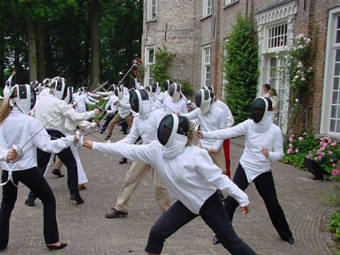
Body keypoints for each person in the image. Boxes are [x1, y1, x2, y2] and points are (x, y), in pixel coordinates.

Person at [83, 114, 257, 255]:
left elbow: (219, 179)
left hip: (207, 201)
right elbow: (127, 149)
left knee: (230, 241)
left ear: (179, 135)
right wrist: (95, 145)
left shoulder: (196, 155)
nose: (163, 133)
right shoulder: (156, 149)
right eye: (163, 129)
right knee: (157, 233)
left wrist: (242, 197)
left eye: (167, 131)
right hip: (186, 203)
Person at [198, 97, 294, 245]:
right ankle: (222, 234)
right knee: (231, 200)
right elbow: (227, 132)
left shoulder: (275, 131)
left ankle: (286, 234)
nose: (255, 113)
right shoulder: (248, 125)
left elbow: (280, 154)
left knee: (272, 203)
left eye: (259, 111)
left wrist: (270, 154)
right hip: (245, 166)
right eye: (254, 110)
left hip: (263, 170)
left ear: (266, 113)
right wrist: (205, 134)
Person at [0, 84, 78, 251]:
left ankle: (1, 242)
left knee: (6, 204)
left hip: (7, 171)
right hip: (27, 170)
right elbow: (47, 146)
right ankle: (52, 240)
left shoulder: (2, 118)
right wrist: (70, 139)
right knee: (48, 199)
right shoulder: (30, 122)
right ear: (28, 100)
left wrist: (5, 156)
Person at [25, 77, 100, 206]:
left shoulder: (39, 100)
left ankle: (31, 198)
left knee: (41, 168)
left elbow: (31, 114)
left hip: (41, 135)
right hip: (56, 136)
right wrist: (93, 112)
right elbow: (76, 117)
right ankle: (74, 195)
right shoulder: (59, 103)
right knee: (71, 164)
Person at [105, 89, 171, 219]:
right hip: (144, 150)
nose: (133, 104)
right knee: (130, 178)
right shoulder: (137, 118)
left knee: (160, 185)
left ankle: (167, 211)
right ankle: (121, 208)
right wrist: (113, 146)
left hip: (159, 152)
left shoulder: (158, 114)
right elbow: (131, 138)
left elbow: (166, 136)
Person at [184, 87, 233, 176]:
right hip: (202, 144)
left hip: (216, 146)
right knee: (192, 164)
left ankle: (217, 189)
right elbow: (188, 116)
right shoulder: (199, 110)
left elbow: (222, 133)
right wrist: (178, 116)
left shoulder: (220, 112)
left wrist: (215, 148)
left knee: (222, 172)